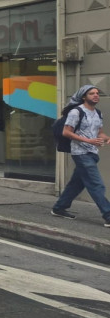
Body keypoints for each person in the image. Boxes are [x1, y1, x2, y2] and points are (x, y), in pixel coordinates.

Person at [51, 85, 110, 225]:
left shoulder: (98, 113)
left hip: (93, 153)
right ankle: (108, 215)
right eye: (91, 93)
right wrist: (88, 140)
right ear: (84, 96)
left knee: (76, 184)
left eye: (97, 93)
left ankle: (59, 208)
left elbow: (99, 132)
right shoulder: (76, 112)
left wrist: (107, 138)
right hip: (81, 153)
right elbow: (66, 132)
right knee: (97, 184)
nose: (96, 95)